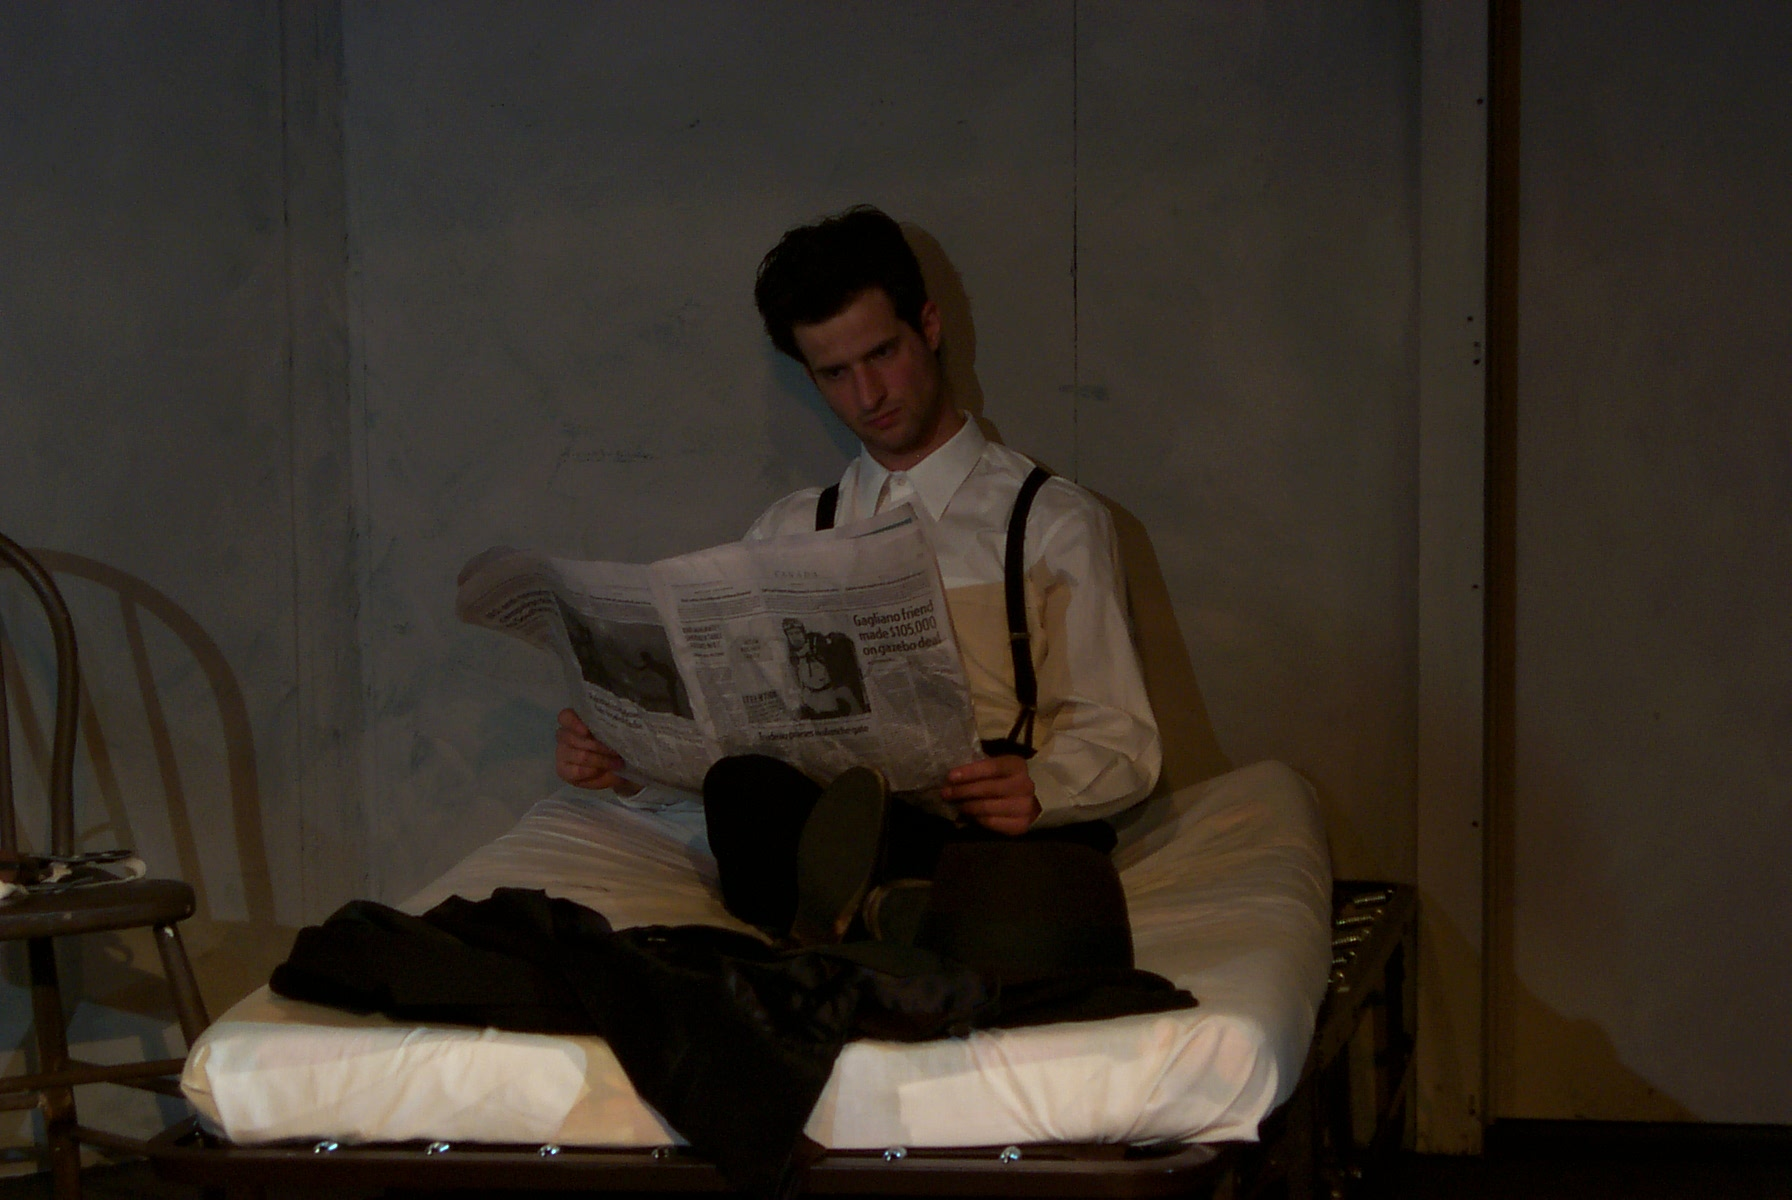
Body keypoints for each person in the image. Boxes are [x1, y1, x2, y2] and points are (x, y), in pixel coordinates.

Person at [556, 206, 1160, 942]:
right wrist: (624, 760)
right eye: (834, 373)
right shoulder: (787, 530)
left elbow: (1121, 733)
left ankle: (872, 912)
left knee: (988, 861)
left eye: (882, 354)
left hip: (981, 829)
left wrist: (1043, 787)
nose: (867, 396)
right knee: (741, 789)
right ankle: (890, 914)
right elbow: (726, 733)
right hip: (829, 819)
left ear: (929, 327)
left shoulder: (1050, 518)